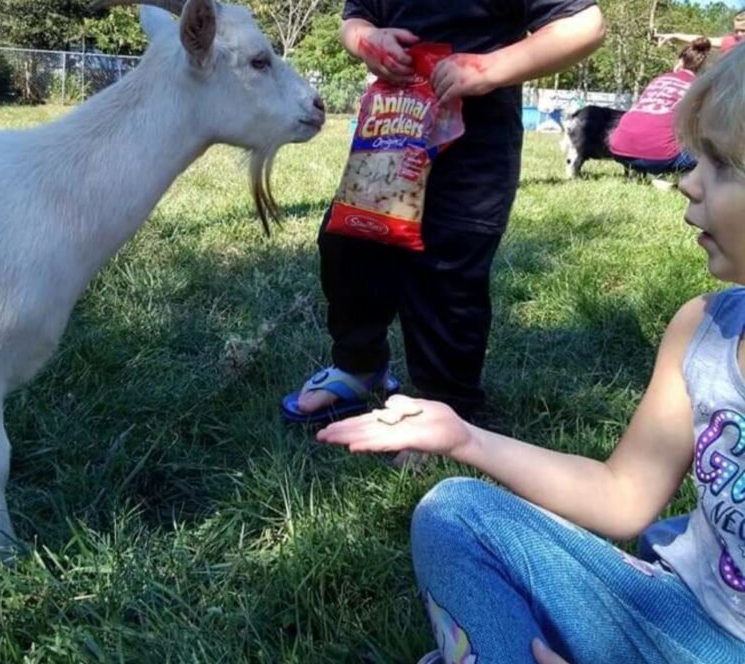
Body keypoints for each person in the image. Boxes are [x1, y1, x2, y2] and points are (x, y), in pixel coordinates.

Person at [317, 42, 745, 663]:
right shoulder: (702, 330)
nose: (687, 180)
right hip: (673, 610)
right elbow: (623, 494)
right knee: (455, 514)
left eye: (724, 164)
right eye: (695, 157)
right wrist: (463, 437)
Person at [281, 0, 605, 426]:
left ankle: (446, 406)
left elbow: (583, 24)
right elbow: (354, 16)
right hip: (387, 150)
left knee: (444, 279)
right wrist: (365, 40)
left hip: (469, 164)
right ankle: (359, 365)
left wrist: (491, 67)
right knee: (348, 252)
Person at [608, 37, 712, 176]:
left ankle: (644, 173)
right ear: (706, 67)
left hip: (618, 149)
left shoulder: (658, 80)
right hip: (659, 159)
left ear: (680, 62)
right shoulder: (698, 87)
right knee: (712, 151)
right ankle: (688, 182)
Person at [655, 8, 745, 53]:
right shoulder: (731, 42)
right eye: (737, 31)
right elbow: (702, 39)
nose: (739, 34)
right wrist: (674, 35)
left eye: (743, 31)